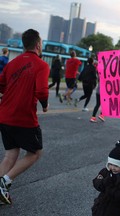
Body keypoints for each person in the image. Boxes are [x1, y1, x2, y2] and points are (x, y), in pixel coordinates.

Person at [0, 29, 49, 204]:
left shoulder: (12, 63)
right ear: (38, 44)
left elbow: (1, 85)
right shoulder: (41, 65)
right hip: (24, 118)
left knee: (10, 155)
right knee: (35, 153)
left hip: (4, 116)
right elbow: (42, 90)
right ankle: (4, 182)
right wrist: (44, 105)